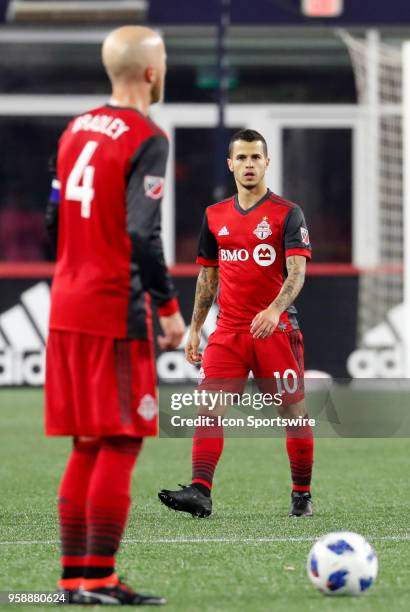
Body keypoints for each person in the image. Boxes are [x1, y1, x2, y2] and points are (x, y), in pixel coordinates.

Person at [45, 25, 185, 605]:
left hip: (66, 300)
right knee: (122, 441)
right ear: (152, 73)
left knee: (86, 442)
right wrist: (170, 309)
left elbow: (53, 218)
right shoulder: (147, 137)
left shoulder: (74, 130)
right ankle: (100, 578)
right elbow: (139, 232)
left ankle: (74, 581)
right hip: (112, 308)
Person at [158, 129, 313, 519]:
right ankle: (200, 490)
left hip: (274, 330)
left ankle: (301, 494)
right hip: (228, 331)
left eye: (255, 158)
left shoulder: (287, 213)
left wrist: (275, 310)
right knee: (209, 409)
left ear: (266, 163)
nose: (248, 165)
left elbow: (296, 273)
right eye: (241, 158)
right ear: (230, 164)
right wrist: (196, 328)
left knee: (293, 414)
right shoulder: (215, 216)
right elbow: (208, 277)